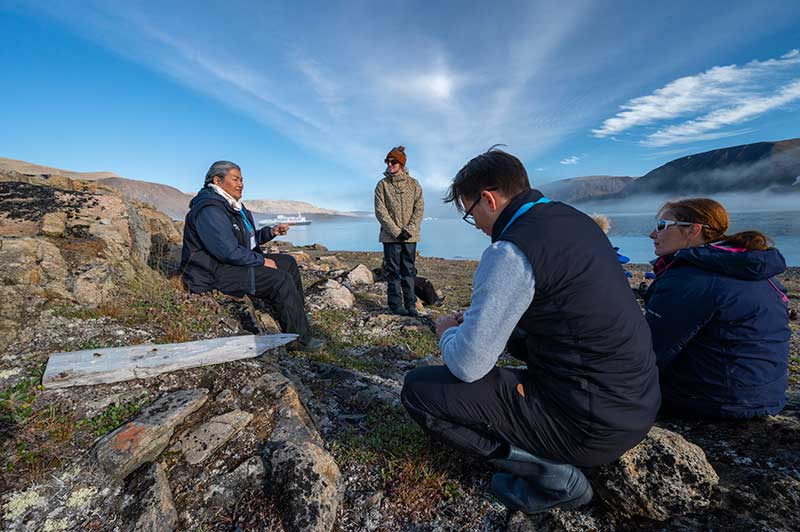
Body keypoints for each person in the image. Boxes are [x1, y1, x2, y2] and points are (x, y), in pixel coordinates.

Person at [400, 148, 660, 514]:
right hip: (636, 403)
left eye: (470, 213)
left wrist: (445, 331)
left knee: (420, 390)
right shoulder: (575, 222)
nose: (475, 224)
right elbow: (563, 313)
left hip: (588, 425)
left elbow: (467, 366)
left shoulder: (511, 251)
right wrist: (483, 319)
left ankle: (554, 477)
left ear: (488, 199)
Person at [644, 198, 790, 419]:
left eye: (662, 226)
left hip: (712, 401)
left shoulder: (688, 279)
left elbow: (651, 352)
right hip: (768, 396)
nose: (653, 234)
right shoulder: (752, 268)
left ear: (693, 230)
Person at [180, 160, 324, 351]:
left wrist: (270, 233)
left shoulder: (234, 207)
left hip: (229, 264)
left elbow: (246, 240)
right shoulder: (210, 210)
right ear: (217, 180)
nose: (241, 184)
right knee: (279, 279)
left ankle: (297, 315)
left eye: (242, 179)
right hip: (211, 273)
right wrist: (262, 260)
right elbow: (227, 251)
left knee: (287, 262)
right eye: (236, 179)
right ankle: (298, 340)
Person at [374, 146, 425, 316]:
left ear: (401, 164)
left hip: (410, 237)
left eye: (393, 161)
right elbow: (380, 211)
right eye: (387, 161)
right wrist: (396, 232)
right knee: (392, 271)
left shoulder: (414, 184)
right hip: (390, 237)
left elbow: (419, 208)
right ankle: (396, 305)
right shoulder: (382, 185)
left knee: (409, 270)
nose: (390, 164)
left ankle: (411, 304)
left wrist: (409, 230)